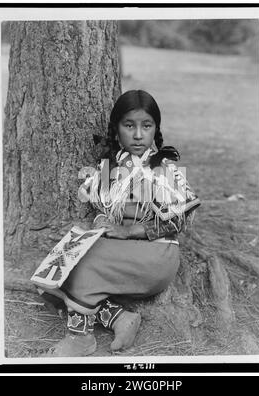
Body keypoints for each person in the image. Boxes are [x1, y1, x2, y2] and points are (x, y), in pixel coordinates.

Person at [42, 90, 200, 357]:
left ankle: (80, 339)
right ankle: (119, 319)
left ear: (155, 130)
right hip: (120, 250)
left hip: (155, 254)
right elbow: (105, 209)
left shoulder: (162, 169)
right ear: (116, 130)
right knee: (52, 268)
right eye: (129, 126)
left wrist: (128, 231)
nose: (138, 134)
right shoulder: (110, 169)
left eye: (146, 126)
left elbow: (177, 222)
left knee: (83, 267)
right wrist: (103, 222)